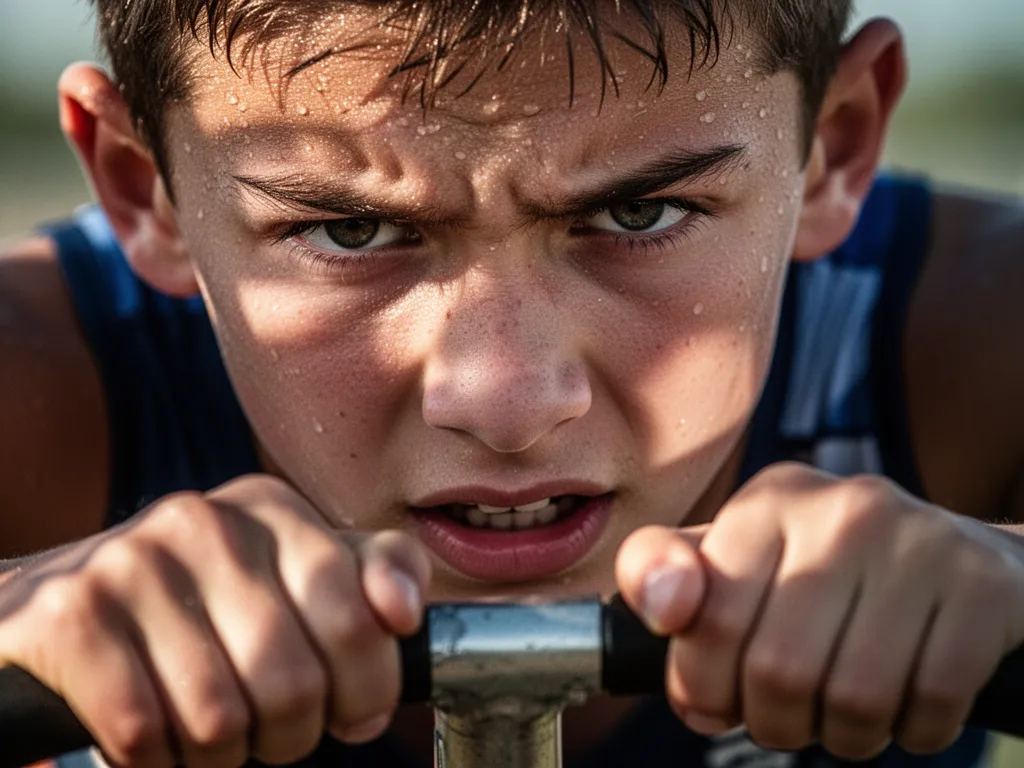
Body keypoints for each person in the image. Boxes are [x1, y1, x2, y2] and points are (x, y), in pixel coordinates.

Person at [1, 1, 1023, 766]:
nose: (507, 403)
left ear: (832, 143)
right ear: (148, 189)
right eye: (348, 231)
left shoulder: (979, 340)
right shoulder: (37, 391)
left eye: (639, 217)